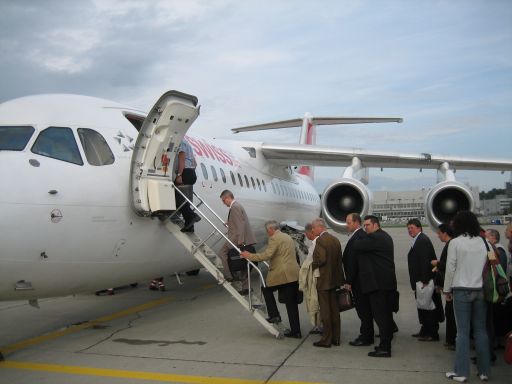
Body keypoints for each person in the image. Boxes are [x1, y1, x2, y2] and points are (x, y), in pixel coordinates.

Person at [443, 211, 491, 382]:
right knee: (480, 331)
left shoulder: (455, 243)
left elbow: (451, 268)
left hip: (461, 290)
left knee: (462, 333)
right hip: (480, 290)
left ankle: (461, 372)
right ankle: (484, 371)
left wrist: (446, 290)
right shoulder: (484, 242)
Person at [241, 220, 302, 338]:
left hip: (282, 274)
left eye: (267, 231)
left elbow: (267, 255)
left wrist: (249, 256)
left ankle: (275, 315)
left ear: (271, 229)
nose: (267, 233)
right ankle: (296, 331)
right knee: (291, 304)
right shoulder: (287, 237)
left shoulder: (274, 238)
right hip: (293, 273)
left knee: (266, 289)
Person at [354, 215, 397, 357]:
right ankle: (385, 344)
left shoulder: (375, 238)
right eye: (364, 225)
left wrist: (358, 232)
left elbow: (357, 245)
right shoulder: (385, 236)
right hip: (386, 283)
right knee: (385, 316)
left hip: (379, 285)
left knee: (381, 317)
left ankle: (385, 347)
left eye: (367, 225)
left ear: (375, 225)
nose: (365, 228)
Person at [406, 218, 442, 342]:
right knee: (423, 306)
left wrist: (425, 280)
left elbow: (425, 261)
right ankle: (425, 329)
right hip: (420, 281)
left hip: (424, 281)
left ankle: (432, 332)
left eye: (412, 228)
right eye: (408, 228)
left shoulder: (422, 240)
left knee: (428, 306)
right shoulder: (418, 239)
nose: (410, 230)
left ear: (419, 228)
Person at [310, 218, 344, 348]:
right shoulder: (335, 240)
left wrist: (312, 265)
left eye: (313, 227)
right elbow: (339, 260)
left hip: (324, 280)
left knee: (325, 311)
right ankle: (336, 338)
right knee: (334, 310)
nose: (312, 230)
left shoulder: (320, 240)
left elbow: (321, 259)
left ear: (320, 227)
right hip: (335, 280)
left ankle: (326, 339)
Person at [343, 213, 374, 347]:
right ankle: (366, 334)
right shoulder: (358, 235)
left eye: (348, 222)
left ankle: (366, 337)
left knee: (363, 310)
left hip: (359, 281)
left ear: (356, 222)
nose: (346, 225)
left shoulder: (359, 236)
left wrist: (349, 281)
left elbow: (354, 262)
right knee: (364, 309)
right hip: (359, 280)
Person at [219, 190, 256, 295]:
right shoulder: (237, 206)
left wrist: (240, 241)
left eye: (223, 200)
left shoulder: (234, 207)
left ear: (227, 198)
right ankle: (246, 287)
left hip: (236, 238)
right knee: (244, 263)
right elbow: (239, 222)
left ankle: (229, 276)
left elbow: (240, 225)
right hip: (240, 238)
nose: (223, 203)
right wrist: (229, 223)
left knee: (222, 253)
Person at [432, 223, 456, 349]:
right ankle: (451, 339)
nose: (438, 235)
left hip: (451, 288)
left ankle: (453, 340)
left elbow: (449, 266)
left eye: (439, 233)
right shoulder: (450, 244)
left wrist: (438, 263)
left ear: (445, 233)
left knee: (451, 314)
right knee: (450, 313)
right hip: (450, 286)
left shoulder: (451, 245)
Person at [298, 223, 321, 334]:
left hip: (316, 278)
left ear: (310, 232)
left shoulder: (317, 243)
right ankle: (318, 325)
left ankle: (319, 326)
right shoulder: (314, 243)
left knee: (316, 302)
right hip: (314, 278)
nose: (306, 236)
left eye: (306, 234)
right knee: (316, 302)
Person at [174, 137, 200, 232]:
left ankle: (192, 216)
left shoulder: (180, 141)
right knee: (185, 199)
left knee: (177, 196)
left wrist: (179, 174)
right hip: (192, 173)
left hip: (185, 172)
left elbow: (182, 158)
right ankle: (190, 226)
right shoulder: (188, 144)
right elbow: (195, 163)